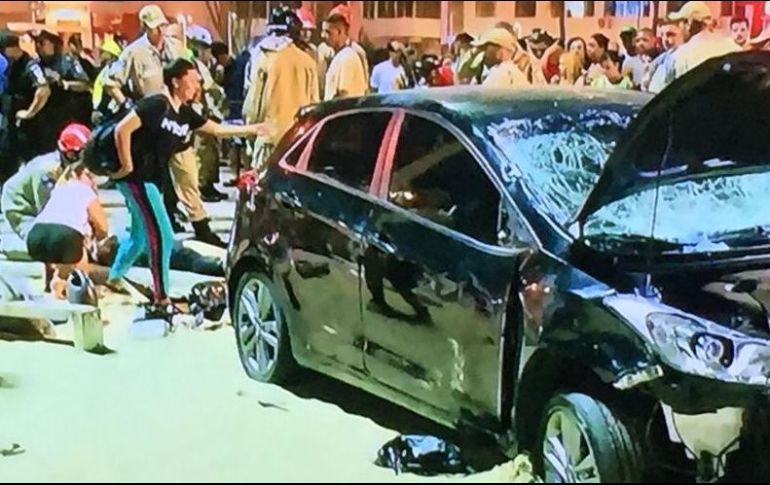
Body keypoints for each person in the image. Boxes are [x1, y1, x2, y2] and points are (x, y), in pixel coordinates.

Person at [108, 58, 268, 321]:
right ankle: (161, 297)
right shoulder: (156, 105)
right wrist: (126, 165)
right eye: (193, 80)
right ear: (176, 81)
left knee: (139, 235)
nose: (197, 85)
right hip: (136, 179)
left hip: (151, 179)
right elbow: (122, 130)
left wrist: (253, 129)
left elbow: (215, 130)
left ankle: (115, 276)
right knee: (163, 236)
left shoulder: (184, 112)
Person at [105, 5, 221, 246]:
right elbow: (111, 82)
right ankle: (159, 221)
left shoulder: (177, 47)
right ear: (145, 27)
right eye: (156, 27)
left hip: (177, 120)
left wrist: (197, 102)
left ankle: (201, 225)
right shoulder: (133, 53)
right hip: (149, 125)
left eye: (163, 25)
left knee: (187, 173)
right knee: (153, 177)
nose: (161, 30)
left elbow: (196, 77)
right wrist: (127, 105)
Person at [1, 123, 90, 262]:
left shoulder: (69, 167)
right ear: (69, 153)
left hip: (35, 201)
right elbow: (45, 207)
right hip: (20, 206)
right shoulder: (46, 170)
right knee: (49, 245)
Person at [244, 7, 319, 169]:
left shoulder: (263, 58)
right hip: (297, 143)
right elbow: (315, 105)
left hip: (269, 139)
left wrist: (250, 135)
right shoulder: (308, 62)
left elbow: (252, 106)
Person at [27, 162, 108, 299]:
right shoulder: (85, 191)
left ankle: (51, 285)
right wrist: (95, 240)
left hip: (36, 234)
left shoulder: (59, 190)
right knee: (77, 269)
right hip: (65, 236)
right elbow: (103, 228)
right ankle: (73, 292)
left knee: (56, 256)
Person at [187, 25, 229, 203]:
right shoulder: (193, 65)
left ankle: (209, 184)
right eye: (206, 48)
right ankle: (203, 186)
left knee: (210, 151)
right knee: (202, 152)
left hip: (205, 114)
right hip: (198, 114)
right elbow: (207, 89)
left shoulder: (201, 65)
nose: (209, 53)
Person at [0, 31, 51, 173]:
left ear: (12, 48)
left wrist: (30, 112)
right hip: (10, 126)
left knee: (32, 166)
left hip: (29, 128)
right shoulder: (10, 66)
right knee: (6, 165)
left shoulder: (31, 65)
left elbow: (44, 89)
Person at [33, 29, 92, 131]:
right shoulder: (35, 64)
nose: (38, 46)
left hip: (68, 115)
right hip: (45, 118)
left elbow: (85, 85)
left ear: (54, 44)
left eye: (42, 43)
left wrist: (64, 83)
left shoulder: (68, 62)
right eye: (37, 43)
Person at [671, 1, 742, 79]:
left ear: (689, 23)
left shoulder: (682, 54)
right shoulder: (733, 46)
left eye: (680, 23)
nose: (680, 28)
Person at [323, 13, 368, 100]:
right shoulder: (340, 56)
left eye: (328, 32)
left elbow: (344, 96)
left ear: (340, 32)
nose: (323, 36)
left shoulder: (347, 58)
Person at [646, 19, 686, 94]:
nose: (665, 39)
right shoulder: (661, 59)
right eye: (662, 35)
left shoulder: (683, 58)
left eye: (670, 34)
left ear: (683, 34)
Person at [91, 37, 123, 124]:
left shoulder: (116, 68)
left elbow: (114, 87)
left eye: (103, 52)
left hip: (110, 109)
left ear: (110, 54)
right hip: (102, 108)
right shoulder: (107, 68)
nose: (101, 54)